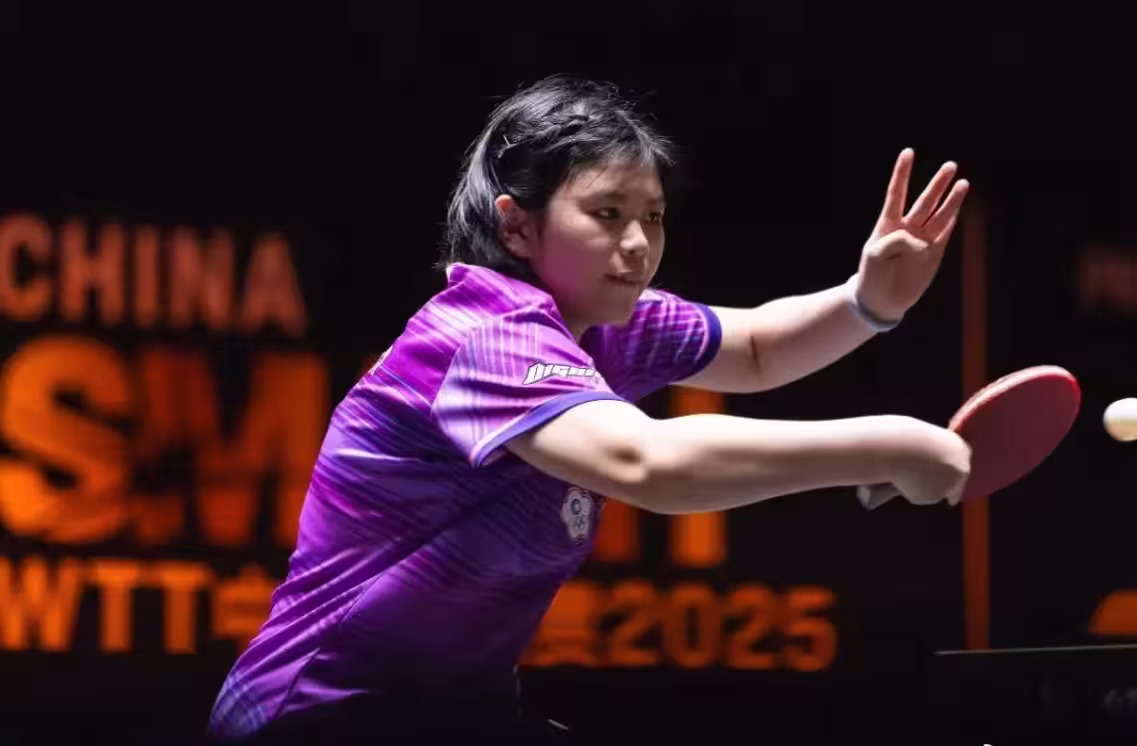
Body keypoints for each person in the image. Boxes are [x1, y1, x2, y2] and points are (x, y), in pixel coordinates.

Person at [206, 75, 971, 745]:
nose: (638, 244)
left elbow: (758, 349)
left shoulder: (605, 327)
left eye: (654, 216)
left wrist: (868, 302)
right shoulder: (485, 334)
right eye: (607, 213)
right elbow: (646, 464)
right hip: (318, 716)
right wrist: (888, 444)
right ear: (516, 224)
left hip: (454, 717)